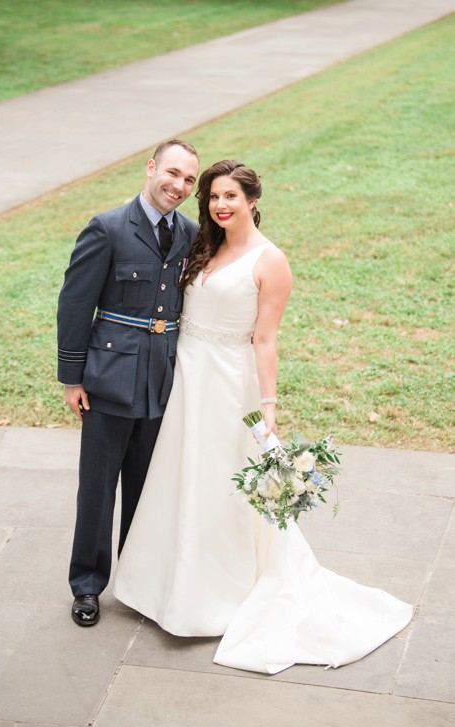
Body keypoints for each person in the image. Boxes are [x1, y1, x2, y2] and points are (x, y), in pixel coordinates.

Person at [112, 159, 412, 673]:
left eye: (230, 196)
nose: (220, 205)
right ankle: (161, 586)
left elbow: (266, 338)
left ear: (253, 200)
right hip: (187, 376)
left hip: (229, 383)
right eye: (212, 197)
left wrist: (268, 408)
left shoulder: (270, 261)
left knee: (221, 484)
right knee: (180, 475)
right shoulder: (204, 246)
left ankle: (216, 594)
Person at [57, 139, 200, 627]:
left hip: (162, 381)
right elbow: (75, 305)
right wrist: (71, 378)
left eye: (189, 180)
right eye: (173, 173)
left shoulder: (191, 234)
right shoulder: (108, 229)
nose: (179, 186)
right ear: (151, 167)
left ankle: (137, 584)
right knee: (97, 490)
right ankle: (87, 585)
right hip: (109, 379)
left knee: (146, 488)